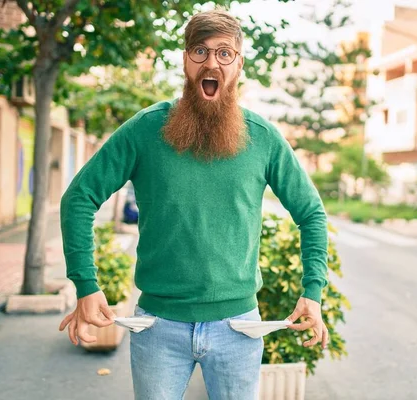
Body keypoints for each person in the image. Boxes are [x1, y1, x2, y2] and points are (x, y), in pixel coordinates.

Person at [58, 9, 329, 400]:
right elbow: (79, 199)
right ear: (185, 60)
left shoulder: (263, 138)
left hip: (238, 329)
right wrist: (86, 285)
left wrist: (313, 291)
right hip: (158, 328)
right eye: (199, 51)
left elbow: (311, 213)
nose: (211, 62)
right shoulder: (145, 129)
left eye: (224, 53)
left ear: (238, 65)